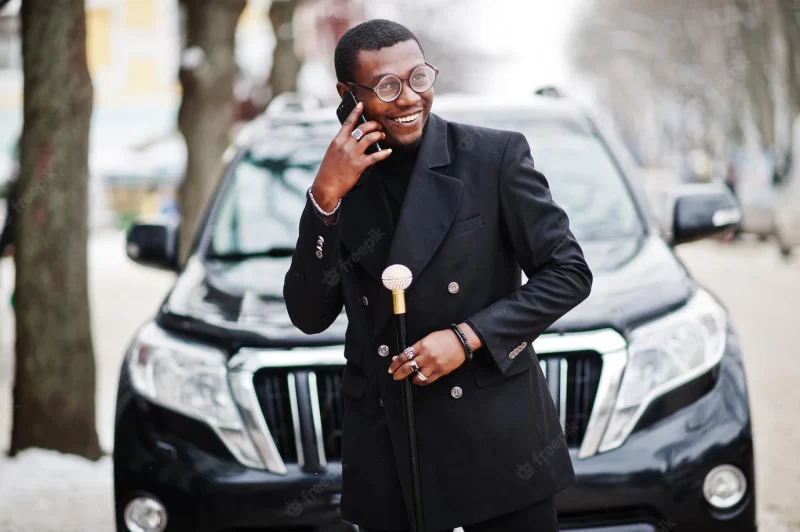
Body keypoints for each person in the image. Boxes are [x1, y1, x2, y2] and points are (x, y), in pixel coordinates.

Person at [283, 19, 592, 532]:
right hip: (387, 447)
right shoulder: (339, 181)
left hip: (495, 445)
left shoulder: (493, 156)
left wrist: (467, 337)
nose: (408, 99)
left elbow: (568, 272)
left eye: (419, 78)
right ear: (347, 94)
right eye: (386, 87)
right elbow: (310, 315)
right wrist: (325, 200)